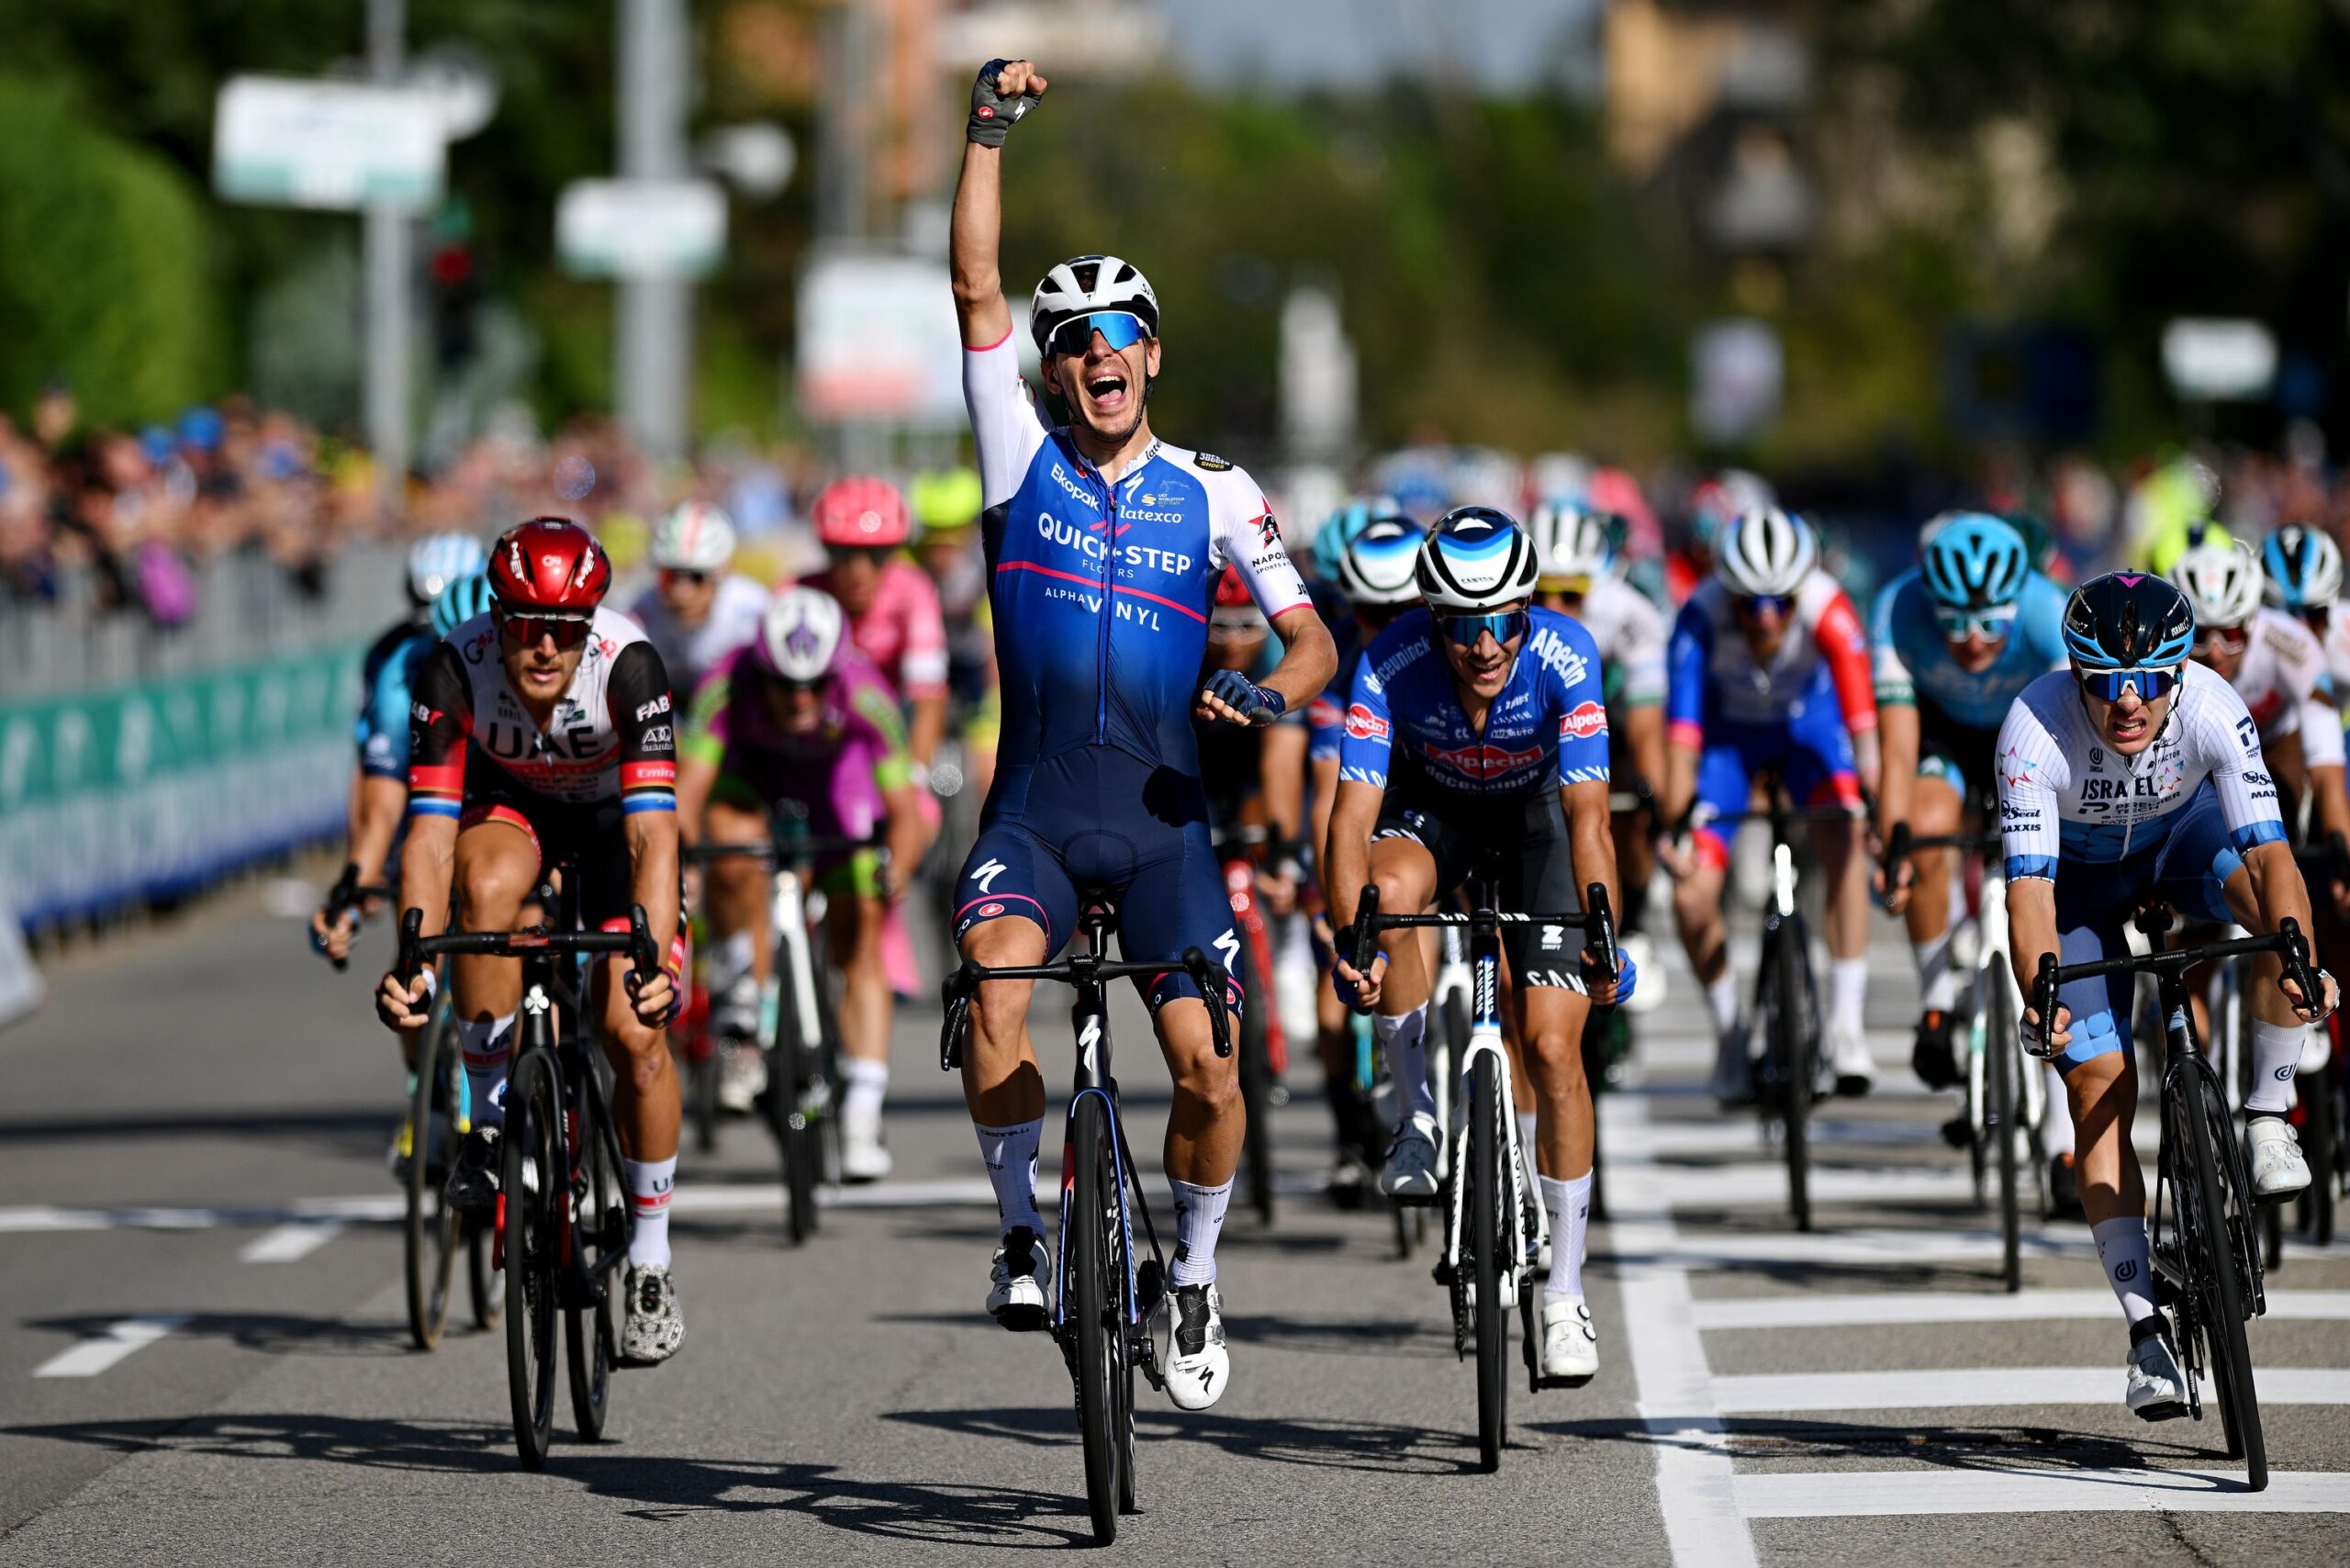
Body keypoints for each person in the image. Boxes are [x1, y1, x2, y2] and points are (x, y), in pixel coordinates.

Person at [949, 55, 1337, 1414]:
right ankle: (1016, 1234)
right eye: (1074, 338)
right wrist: (988, 133)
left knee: (1210, 1072)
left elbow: (1313, 639)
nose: (1096, 351)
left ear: (1154, 353)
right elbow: (976, 292)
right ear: (1054, 372)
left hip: (1170, 823)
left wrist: (1278, 693)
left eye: (1120, 330)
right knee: (996, 988)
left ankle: (1196, 1273)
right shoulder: (1020, 463)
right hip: (1037, 813)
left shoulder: (1217, 493)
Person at [2001, 570, 2335, 1417]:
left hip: (2181, 847)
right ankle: (2145, 1327)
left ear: (2178, 674)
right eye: (2107, 684)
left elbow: (2271, 856)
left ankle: (2266, 1115)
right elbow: (2031, 898)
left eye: (2148, 682)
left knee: (2277, 925)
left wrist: (2299, 955)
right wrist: (2044, 999)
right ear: (2076, 675)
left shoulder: (2216, 709)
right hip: (2077, 888)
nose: (2128, 704)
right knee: (2100, 1086)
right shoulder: (2033, 731)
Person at [1325, 509, 1632, 1384]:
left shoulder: (1568, 654)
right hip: (1440, 813)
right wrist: (1355, 936)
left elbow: (1587, 818)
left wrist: (1601, 927)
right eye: (1465, 626)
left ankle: (1567, 1295)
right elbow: (1350, 821)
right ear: (1433, 619)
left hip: (1540, 819)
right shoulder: (1389, 661)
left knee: (1551, 1048)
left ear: (1528, 609)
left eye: (1504, 620)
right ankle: (1416, 1114)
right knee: (1387, 897)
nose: (1486, 645)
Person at [375, 518, 691, 1365]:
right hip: (513, 813)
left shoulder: (629, 664)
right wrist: (412, 958)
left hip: (609, 824)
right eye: (526, 625)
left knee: (635, 1036)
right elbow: (430, 837)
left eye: (565, 628)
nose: (545, 649)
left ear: (590, 623)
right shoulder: (452, 665)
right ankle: (487, 1121)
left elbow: (654, 837)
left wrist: (652, 956)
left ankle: (652, 1259)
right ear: (499, 618)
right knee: (480, 891)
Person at [675, 588, 933, 1181]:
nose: (799, 698)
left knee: (860, 932)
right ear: (760, 669)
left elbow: (905, 809)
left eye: (814, 686)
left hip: (835, 793)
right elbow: (688, 793)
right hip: (751, 788)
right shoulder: (726, 681)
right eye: (784, 685)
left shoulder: (867, 692)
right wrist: (688, 864)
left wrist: (895, 869)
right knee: (728, 843)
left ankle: (862, 1111)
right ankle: (743, 1001)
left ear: (835, 673)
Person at [1868, 514, 2079, 1204]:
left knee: (2052, 939)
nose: (1975, 643)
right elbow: (1897, 752)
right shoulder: (1898, 610)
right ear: (1933, 607)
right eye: (1956, 627)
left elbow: (2074, 751)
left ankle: (2062, 1144)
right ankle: (1935, 1001)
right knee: (1925, 827)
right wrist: (1894, 838)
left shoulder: (2050, 613)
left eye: (1991, 625)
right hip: (1947, 739)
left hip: (2036, 735)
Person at [1661, 508, 1881, 1103]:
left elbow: (1863, 726)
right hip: (1729, 745)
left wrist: (1877, 805)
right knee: (1689, 891)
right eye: (1749, 604)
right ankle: (1732, 1033)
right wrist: (1676, 822)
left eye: (1780, 603)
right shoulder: (1699, 615)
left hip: (1811, 732)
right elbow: (1681, 733)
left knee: (1848, 838)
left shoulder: (1829, 607)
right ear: (1726, 592)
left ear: (1799, 592)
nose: (1765, 618)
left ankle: (1846, 1025)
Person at [1306, 516, 1424, 1193]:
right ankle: (1355, 1135)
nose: (1387, 623)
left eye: (1403, 609)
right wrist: (1336, 907)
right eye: (1371, 611)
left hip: (1442, 812)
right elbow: (1331, 805)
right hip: (1376, 814)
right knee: (1336, 996)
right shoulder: (1347, 669)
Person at [313, 531, 486, 970]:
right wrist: (355, 881)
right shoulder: (397, 665)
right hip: (429, 798)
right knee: (414, 959)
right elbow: (381, 798)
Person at [1528, 501, 1669, 1007]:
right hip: (1539, 730)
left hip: (1612, 721)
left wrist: (1657, 807)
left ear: (1596, 586)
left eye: (1571, 595)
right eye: (1542, 594)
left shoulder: (1630, 615)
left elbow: (1648, 728)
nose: (1556, 607)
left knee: (1636, 796)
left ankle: (1636, 922)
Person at [805, 476, 952, 776]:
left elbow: (929, 695)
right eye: (842, 554)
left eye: (876, 555)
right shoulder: (800, 593)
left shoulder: (914, 590)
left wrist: (917, 777)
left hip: (897, 714)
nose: (858, 570)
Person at [628, 500, 768, 700]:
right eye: (671, 576)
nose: (681, 591)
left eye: (697, 577)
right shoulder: (641, 617)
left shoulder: (753, 614)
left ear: (724, 572)